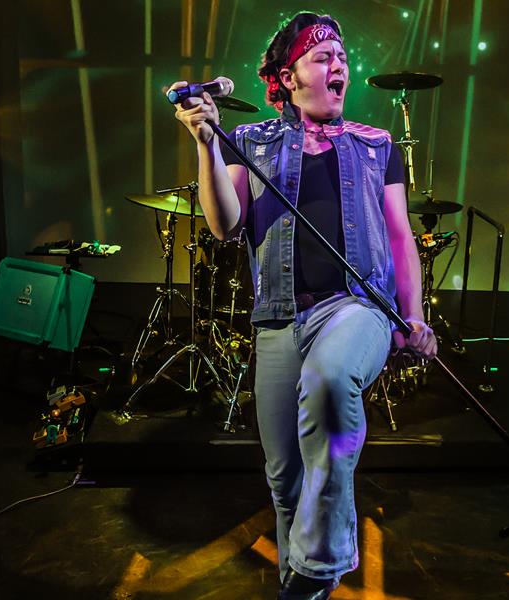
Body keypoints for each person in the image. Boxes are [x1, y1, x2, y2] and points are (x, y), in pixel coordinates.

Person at [169, 11, 437, 599]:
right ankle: (304, 589)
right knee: (286, 478)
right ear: (288, 78)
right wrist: (207, 144)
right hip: (279, 318)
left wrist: (413, 315)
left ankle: (318, 564)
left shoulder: (377, 146)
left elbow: (400, 237)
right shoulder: (252, 142)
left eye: (341, 57)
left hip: (357, 308)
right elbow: (225, 226)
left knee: (331, 379)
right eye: (322, 57)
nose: (338, 65)